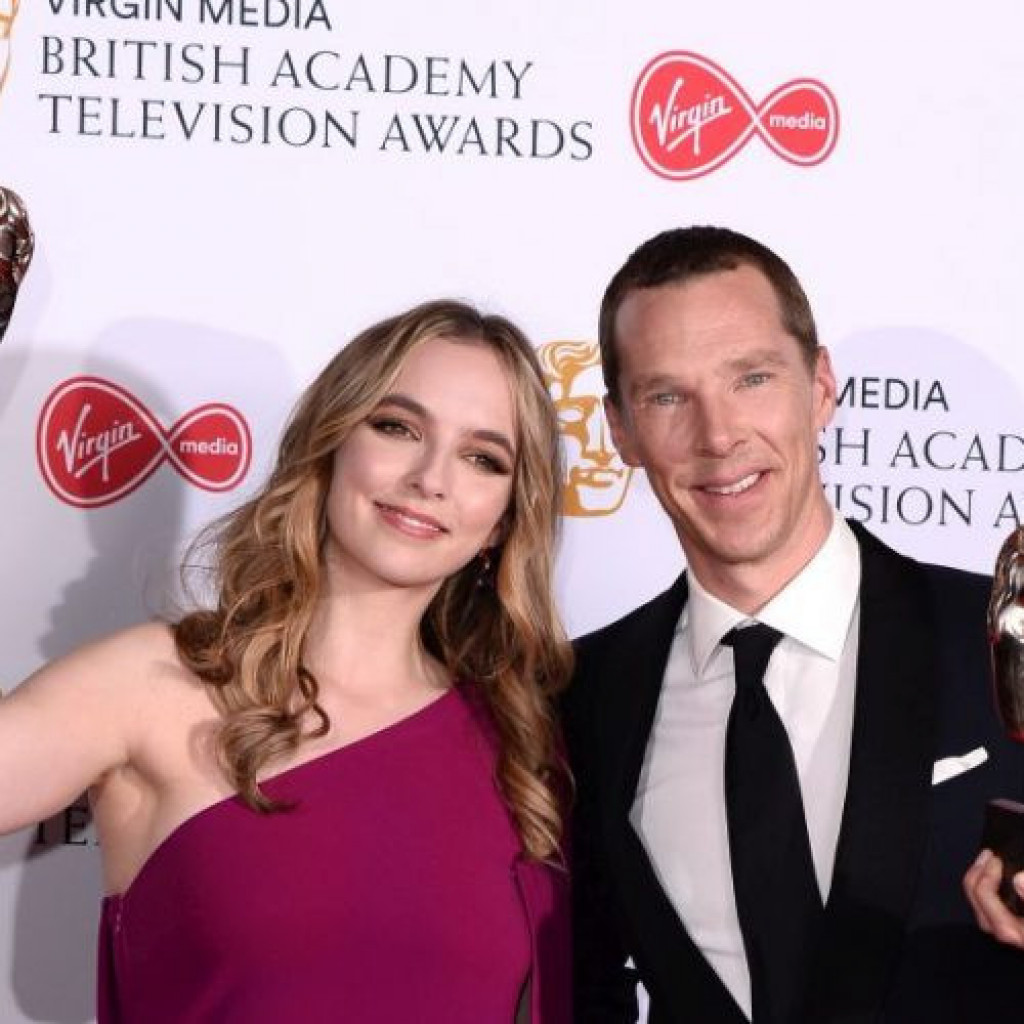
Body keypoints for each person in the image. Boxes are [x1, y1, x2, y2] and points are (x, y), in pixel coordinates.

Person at [0, 299, 572, 1023]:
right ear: (331, 442)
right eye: (397, 427)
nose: (432, 478)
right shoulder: (158, 686)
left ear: (503, 521)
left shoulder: (521, 748)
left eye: (482, 458)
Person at [561, 226, 1024, 1023]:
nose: (718, 435)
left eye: (752, 378)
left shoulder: (997, 640)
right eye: (667, 396)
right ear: (621, 430)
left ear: (820, 388)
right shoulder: (580, 695)